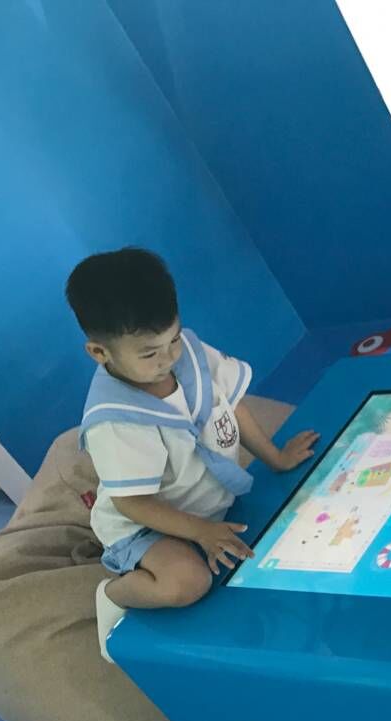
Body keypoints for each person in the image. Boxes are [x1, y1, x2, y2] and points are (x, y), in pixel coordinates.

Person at [65, 248, 319, 663]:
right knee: (187, 583)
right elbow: (132, 503)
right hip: (145, 524)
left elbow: (230, 403)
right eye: (150, 353)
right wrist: (200, 531)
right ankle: (112, 593)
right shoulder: (113, 420)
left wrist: (275, 457)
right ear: (99, 352)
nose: (168, 358)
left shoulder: (190, 353)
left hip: (206, 503)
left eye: (173, 339)